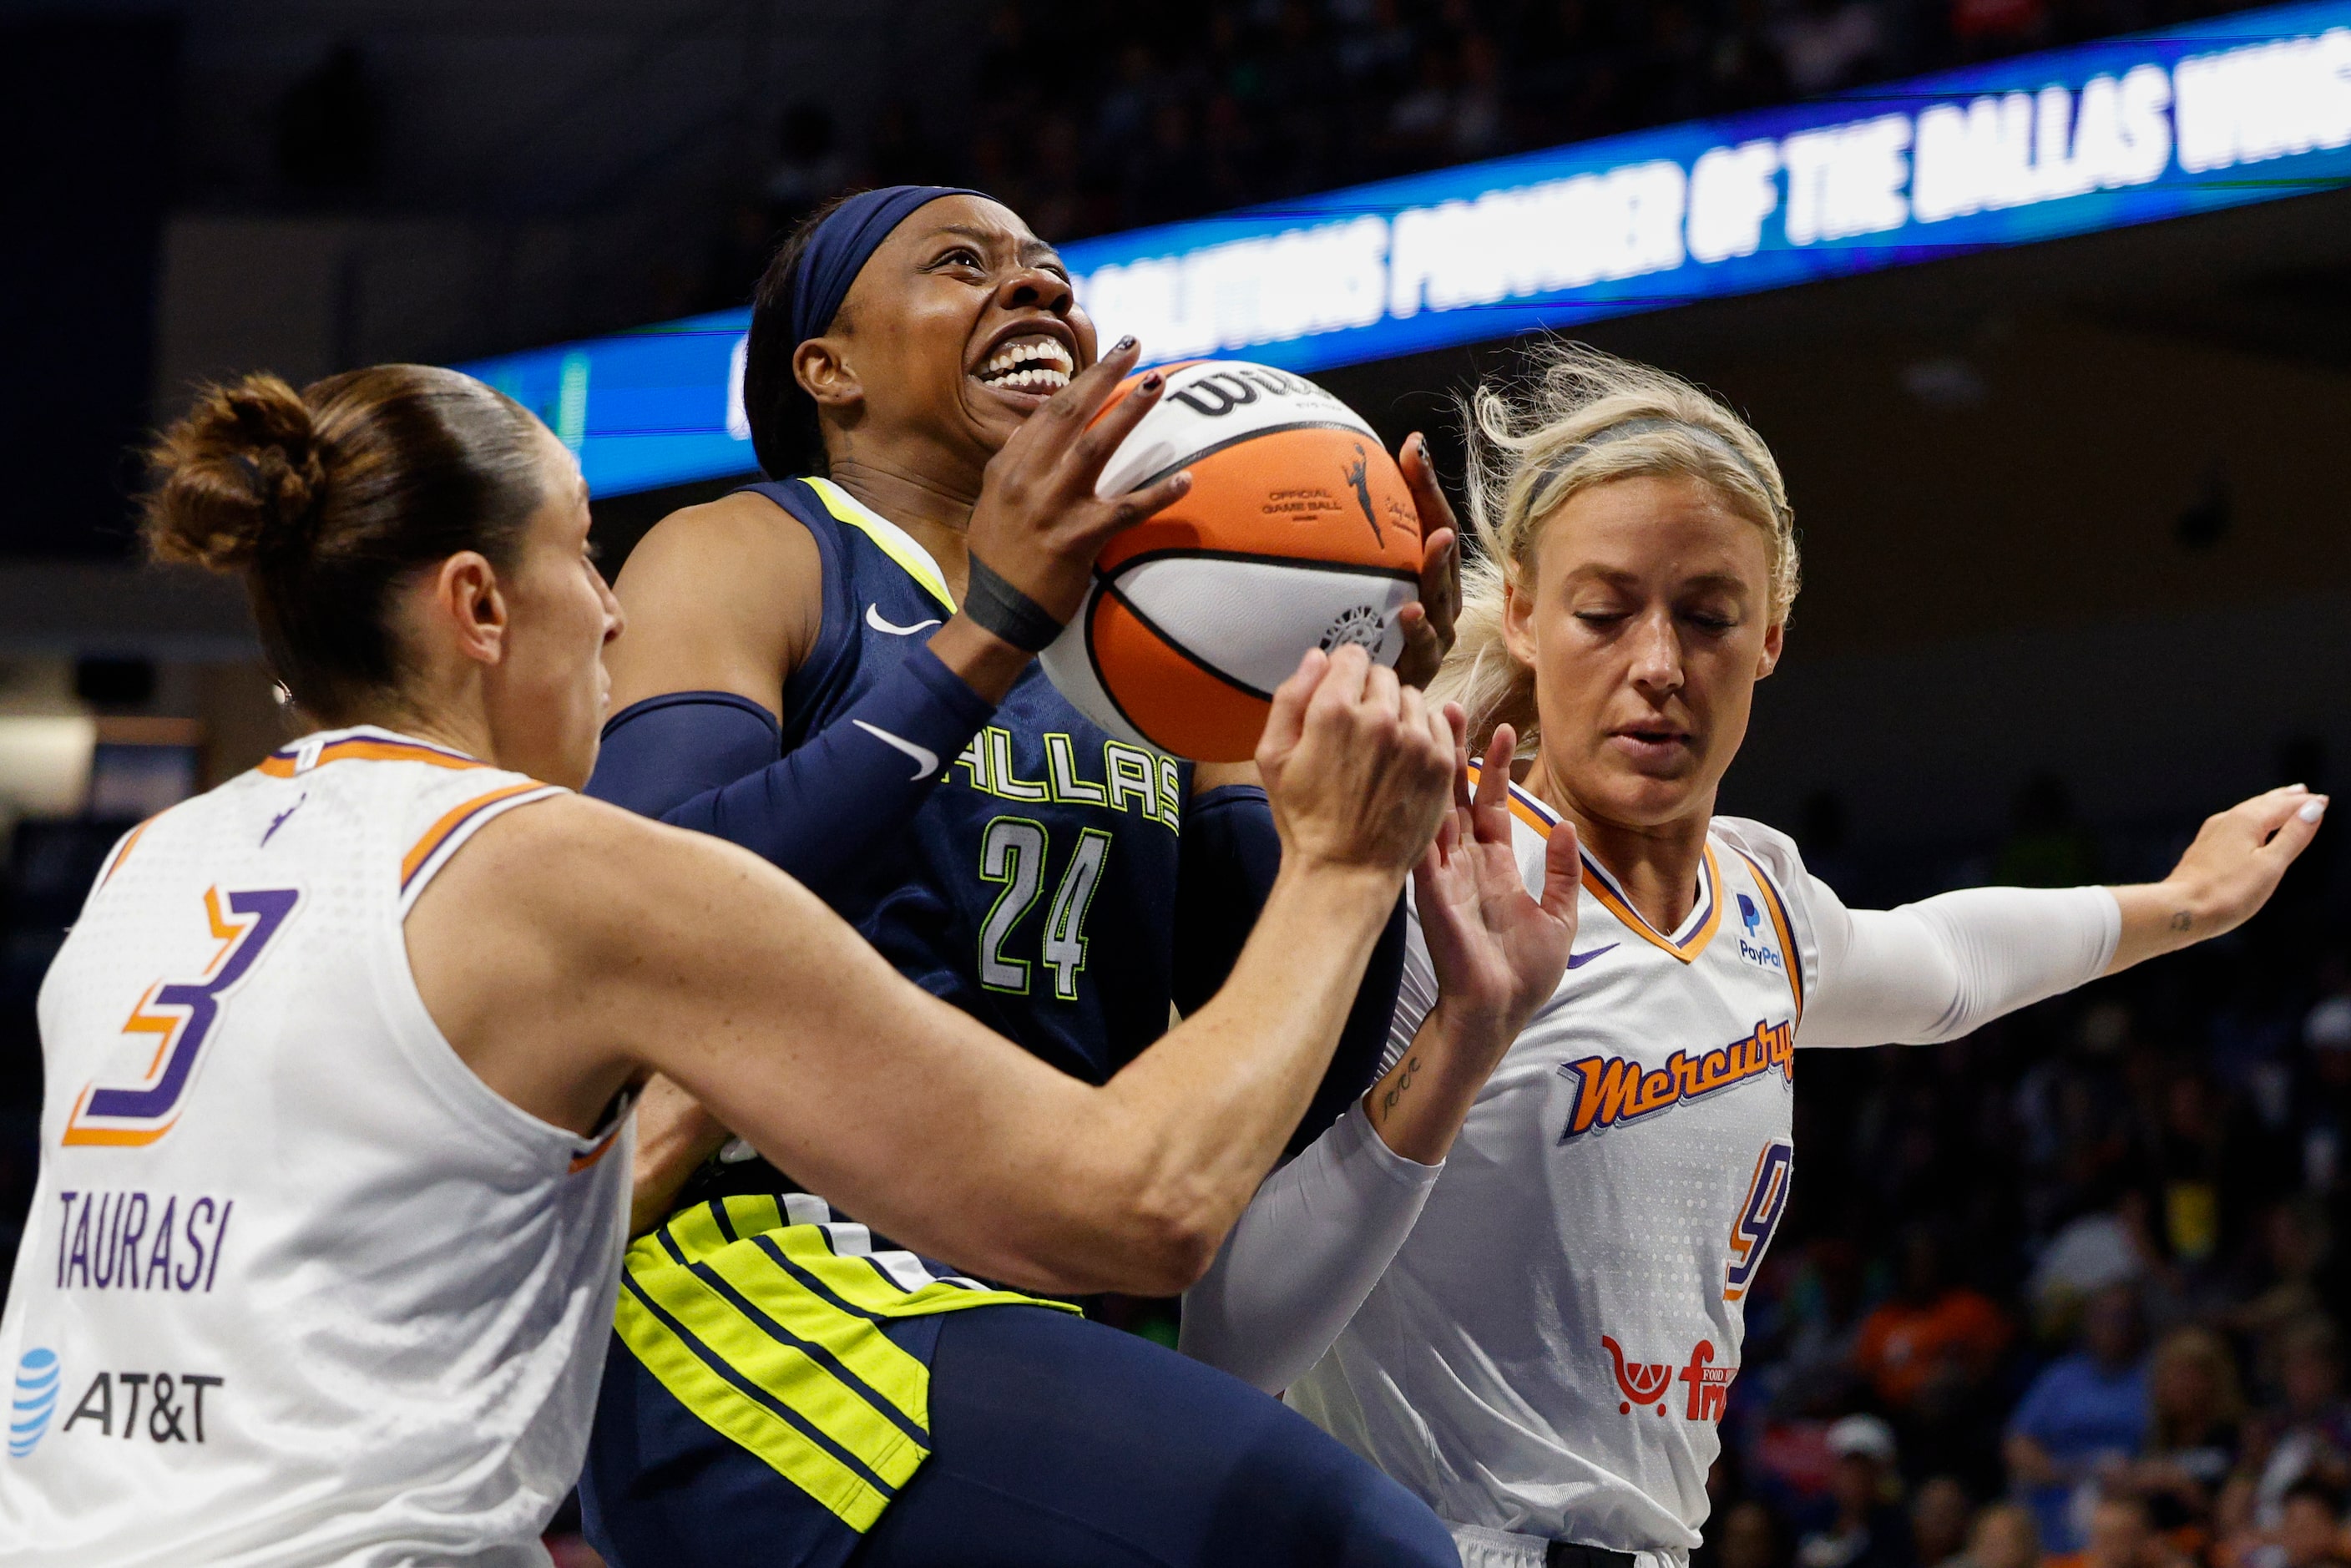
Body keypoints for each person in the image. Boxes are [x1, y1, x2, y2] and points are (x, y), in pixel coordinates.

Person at [0, 364, 1467, 1564]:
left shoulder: (152, 868)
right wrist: (1340, 868)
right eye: (581, 550)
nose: (616, 606)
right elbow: (1140, 1205)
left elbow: (413, 1228)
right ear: (479, 604)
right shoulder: (567, 872)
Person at [1170, 341, 2328, 1567]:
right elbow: (1225, 1350)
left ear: (1771, 634)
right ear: (1519, 610)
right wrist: (1466, 1029)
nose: (1659, 666)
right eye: (1605, 612)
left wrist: (2181, 903)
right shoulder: (1422, 860)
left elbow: (1940, 966)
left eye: (1708, 616)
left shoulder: (1759, 892)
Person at [576, 184, 1507, 1566]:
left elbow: (1287, 1083)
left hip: (1029, 1286)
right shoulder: (756, 550)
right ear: (823, 369)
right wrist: (985, 638)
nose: (1033, 289)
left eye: (1052, 269)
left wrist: (1340, 772)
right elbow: (637, 921)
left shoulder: (1151, 647)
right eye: (962, 264)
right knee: (1355, 1547)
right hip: (764, 1276)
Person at [2007, 1285, 2152, 1553]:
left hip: (2130, 1495)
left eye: (2121, 1317)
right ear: (2087, 1323)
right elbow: (2018, 1445)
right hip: (2060, 1490)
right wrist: (2068, 1473)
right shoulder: (2061, 1377)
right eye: (2101, 1317)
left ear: (2138, 1323)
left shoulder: (2153, 1374)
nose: (2111, 1326)